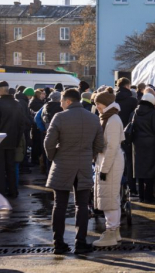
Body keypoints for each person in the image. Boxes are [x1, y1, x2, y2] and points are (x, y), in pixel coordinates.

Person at [44, 89, 104, 255]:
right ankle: (81, 242)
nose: (61, 104)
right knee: (82, 205)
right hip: (84, 165)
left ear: (68, 101)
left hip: (62, 164)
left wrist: (54, 156)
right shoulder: (93, 118)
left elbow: (48, 142)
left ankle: (58, 243)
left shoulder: (60, 117)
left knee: (59, 204)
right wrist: (89, 156)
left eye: (62, 101)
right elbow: (100, 144)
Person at [92, 88, 125, 247]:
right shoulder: (110, 117)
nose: (96, 106)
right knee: (111, 197)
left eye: (98, 103)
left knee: (109, 198)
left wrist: (104, 170)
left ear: (104, 103)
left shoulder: (111, 119)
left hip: (109, 163)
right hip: (109, 161)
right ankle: (114, 231)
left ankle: (111, 232)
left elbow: (111, 147)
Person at [0, 81, 31, 198]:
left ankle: (1, 192)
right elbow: (22, 124)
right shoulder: (17, 104)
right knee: (11, 167)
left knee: (0, 169)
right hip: (12, 141)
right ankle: (13, 191)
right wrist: (17, 140)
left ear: (1, 90)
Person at [127, 92, 155, 203]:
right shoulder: (153, 113)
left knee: (140, 171)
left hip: (137, 144)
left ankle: (141, 195)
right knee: (150, 171)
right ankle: (149, 196)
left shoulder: (135, 112)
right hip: (151, 145)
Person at [115, 77, 139, 194]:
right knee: (130, 162)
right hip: (129, 134)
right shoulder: (132, 100)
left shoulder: (113, 100)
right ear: (127, 86)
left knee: (116, 160)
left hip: (115, 132)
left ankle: (118, 187)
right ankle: (132, 188)